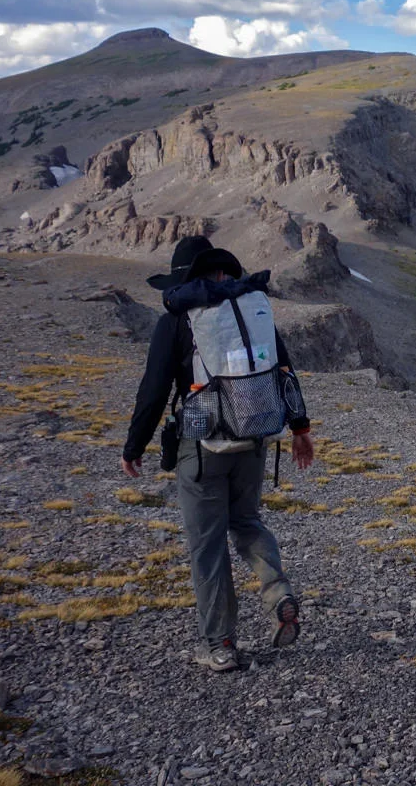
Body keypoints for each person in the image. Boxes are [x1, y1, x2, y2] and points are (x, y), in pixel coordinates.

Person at [122, 235, 315, 672]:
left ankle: (220, 643)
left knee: (207, 547)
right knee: (246, 521)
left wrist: (134, 447)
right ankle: (277, 591)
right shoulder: (251, 309)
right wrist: (301, 428)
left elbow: (153, 392)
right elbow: (282, 370)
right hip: (253, 440)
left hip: (202, 447)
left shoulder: (178, 319)